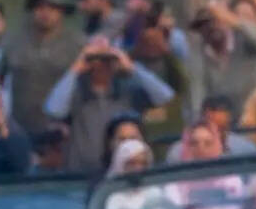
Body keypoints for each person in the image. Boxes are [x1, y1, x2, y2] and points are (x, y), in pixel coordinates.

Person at [43, 37, 175, 171]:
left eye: (108, 59)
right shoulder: (76, 91)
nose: (103, 64)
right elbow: (54, 109)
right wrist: (76, 68)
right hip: (82, 172)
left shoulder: (128, 89)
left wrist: (133, 68)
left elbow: (165, 97)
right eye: (96, 58)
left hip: (124, 171)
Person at [0, 0, 86, 135]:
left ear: (61, 11)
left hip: (64, 129)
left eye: (52, 8)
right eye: (40, 7)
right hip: (19, 126)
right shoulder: (13, 42)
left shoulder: (77, 44)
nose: (45, 13)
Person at [184, 0, 256, 120]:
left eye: (217, 20)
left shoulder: (247, 43)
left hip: (255, 121)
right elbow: (196, 96)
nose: (212, 26)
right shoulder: (197, 55)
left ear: (227, 20)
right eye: (205, 23)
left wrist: (232, 19)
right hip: (219, 125)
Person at [129, 18, 188, 140]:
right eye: (146, 40)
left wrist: (166, 51)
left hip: (172, 125)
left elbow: (183, 85)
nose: (151, 44)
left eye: (155, 40)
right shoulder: (131, 66)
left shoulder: (171, 63)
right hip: (142, 125)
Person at [164, 95, 256, 161]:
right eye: (210, 128)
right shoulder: (177, 153)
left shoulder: (247, 150)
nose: (216, 133)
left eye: (221, 129)